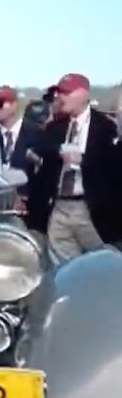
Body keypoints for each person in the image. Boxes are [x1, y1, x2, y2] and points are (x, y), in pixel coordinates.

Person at [30, 73, 120, 260]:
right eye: (59, 92)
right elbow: (45, 166)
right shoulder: (55, 128)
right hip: (60, 206)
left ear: (83, 94)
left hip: (91, 208)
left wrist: (83, 160)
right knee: (62, 267)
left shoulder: (105, 127)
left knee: (103, 262)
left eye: (66, 92)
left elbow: (113, 168)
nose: (59, 97)